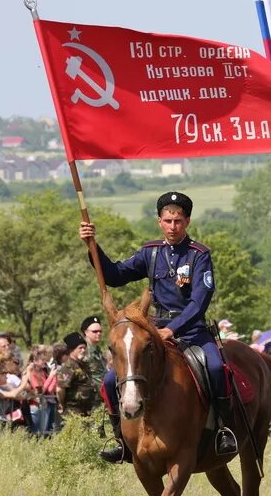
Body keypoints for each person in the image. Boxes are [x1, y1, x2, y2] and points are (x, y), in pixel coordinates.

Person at [80, 191, 237, 461]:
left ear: (186, 221)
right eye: (167, 221)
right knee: (109, 378)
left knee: (215, 367)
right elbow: (116, 275)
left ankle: (223, 429)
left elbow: (199, 301)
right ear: (159, 222)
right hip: (153, 330)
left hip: (191, 330)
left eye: (178, 221)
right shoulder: (150, 253)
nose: (172, 226)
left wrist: (172, 329)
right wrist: (92, 246)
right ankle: (120, 438)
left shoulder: (199, 255)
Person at [55, 332, 98, 416]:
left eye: (84, 348)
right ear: (72, 350)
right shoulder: (68, 366)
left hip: (86, 410)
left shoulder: (83, 364)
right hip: (73, 412)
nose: (83, 350)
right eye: (80, 348)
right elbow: (60, 389)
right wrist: (62, 404)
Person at [81, 316, 109, 392]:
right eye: (95, 331)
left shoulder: (98, 350)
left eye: (100, 331)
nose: (99, 333)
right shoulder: (82, 350)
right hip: (91, 396)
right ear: (86, 332)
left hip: (103, 394)